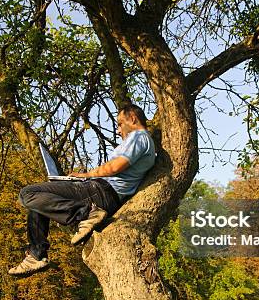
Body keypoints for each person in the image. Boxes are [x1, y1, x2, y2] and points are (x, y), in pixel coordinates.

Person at [9, 104, 156, 276]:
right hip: (100, 191)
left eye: (119, 123)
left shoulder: (139, 136)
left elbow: (115, 167)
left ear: (132, 119)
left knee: (28, 193)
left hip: (102, 191)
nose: (118, 131)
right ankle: (36, 254)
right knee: (38, 201)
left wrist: (87, 174)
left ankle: (86, 214)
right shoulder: (141, 140)